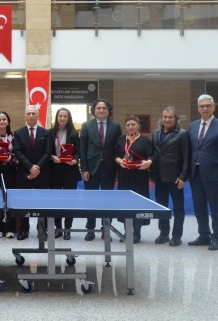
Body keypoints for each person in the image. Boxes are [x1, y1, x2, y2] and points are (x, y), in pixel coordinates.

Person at [188, 94, 218, 251]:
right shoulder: (192, 126)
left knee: (216, 209)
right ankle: (204, 235)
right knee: (199, 208)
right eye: (202, 106)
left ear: (214, 107)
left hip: (214, 174)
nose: (205, 108)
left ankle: (216, 238)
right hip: (195, 174)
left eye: (208, 105)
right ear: (198, 108)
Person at [79, 98, 122, 241]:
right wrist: (84, 169)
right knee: (90, 200)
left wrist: (118, 170)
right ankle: (90, 229)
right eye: (98, 108)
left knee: (107, 201)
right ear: (94, 110)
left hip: (109, 168)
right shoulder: (86, 125)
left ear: (109, 111)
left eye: (104, 108)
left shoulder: (115, 126)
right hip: (91, 169)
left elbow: (118, 148)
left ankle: (106, 229)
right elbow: (82, 148)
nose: (101, 110)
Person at [151, 106, 190, 247]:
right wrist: (152, 175)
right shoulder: (156, 133)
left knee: (178, 208)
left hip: (175, 177)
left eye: (170, 117)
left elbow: (186, 157)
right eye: (165, 117)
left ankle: (177, 236)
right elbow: (153, 155)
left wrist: (183, 176)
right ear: (161, 118)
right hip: (159, 177)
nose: (167, 119)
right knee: (162, 207)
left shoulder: (182, 134)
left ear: (176, 119)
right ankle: (164, 234)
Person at [12, 105, 51, 241]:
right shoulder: (18, 133)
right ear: (25, 116)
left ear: (38, 116)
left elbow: (48, 152)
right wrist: (30, 167)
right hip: (24, 173)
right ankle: (24, 229)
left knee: (42, 202)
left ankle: (42, 229)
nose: (31, 116)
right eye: (28, 113)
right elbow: (18, 152)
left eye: (33, 113)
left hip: (42, 173)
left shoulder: (46, 133)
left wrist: (37, 167)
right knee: (24, 202)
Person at [115, 116, 154, 244]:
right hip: (124, 176)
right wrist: (119, 161)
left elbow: (151, 155)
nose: (130, 127)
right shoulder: (121, 139)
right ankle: (127, 232)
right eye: (128, 125)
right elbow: (115, 154)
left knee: (138, 205)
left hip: (140, 176)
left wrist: (148, 162)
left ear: (138, 126)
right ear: (125, 127)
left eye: (133, 124)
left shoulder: (144, 140)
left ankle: (137, 233)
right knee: (125, 204)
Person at [48, 107, 81, 240]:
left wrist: (75, 160)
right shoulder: (50, 133)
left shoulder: (74, 133)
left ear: (68, 118)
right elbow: (47, 151)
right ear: (56, 118)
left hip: (69, 170)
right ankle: (58, 228)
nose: (62, 118)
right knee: (56, 201)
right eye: (60, 116)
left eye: (65, 116)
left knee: (69, 201)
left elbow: (78, 151)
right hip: (54, 170)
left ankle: (67, 229)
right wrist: (52, 157)